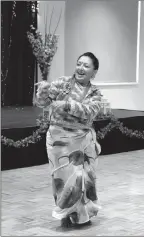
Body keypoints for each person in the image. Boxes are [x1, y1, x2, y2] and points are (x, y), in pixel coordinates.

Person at [34, 52, 103, 227]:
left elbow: (89, 111)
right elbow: (43, 103)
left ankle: (81, 215)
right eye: (79, 64)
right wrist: (42, 91)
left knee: (83, 177)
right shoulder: (61, 83)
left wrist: (65, 105)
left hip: (82, 140)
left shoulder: (95, 92)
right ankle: (67, 211)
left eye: (86, 66)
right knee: (64, 178)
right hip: (59, 141)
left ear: (94, 72)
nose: (81, 68)